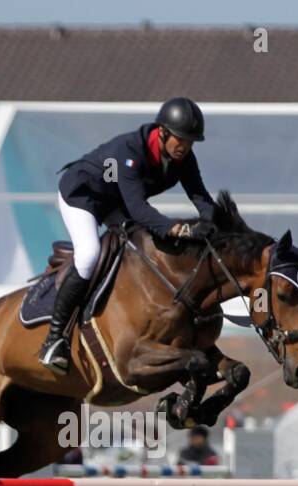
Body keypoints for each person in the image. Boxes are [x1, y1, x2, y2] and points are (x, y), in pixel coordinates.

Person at [39, 97, 219, 373]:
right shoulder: (130, 151)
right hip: (82, 196)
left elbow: (200, 197)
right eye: (181, 140)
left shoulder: (184, 159)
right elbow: (138, 208)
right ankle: (54, 340)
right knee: (88, 255)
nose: (185, 146)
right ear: (162, 132)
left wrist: (218, 226)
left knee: (141, 249)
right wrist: (178, 228)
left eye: (191, 141)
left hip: (115, 201)